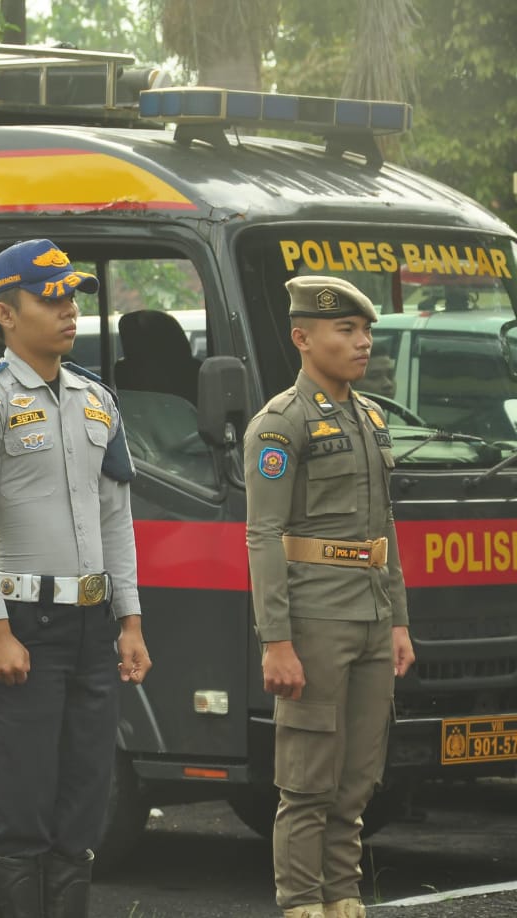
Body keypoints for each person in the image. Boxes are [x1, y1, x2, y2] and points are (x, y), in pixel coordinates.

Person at [0, 239, 152, 918]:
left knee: (83, 812)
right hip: (21, 626)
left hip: (93, 629)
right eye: (51, 298)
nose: (68, 312)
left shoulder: (96, 399)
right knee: (19, 811)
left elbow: (116, 514)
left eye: (73, 299)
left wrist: (130, 620)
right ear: (6, 312)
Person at [244, 276, 416, 918]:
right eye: (346, 330)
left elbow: (383, 529)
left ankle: (344, 899)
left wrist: (398, 622)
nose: (362, 342)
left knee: (357, 781)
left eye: (365, 331)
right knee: (308, 782)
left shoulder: (369, 418)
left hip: (371, 617)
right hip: (314, 621)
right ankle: (301, 904)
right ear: (303, 338)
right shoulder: (280, 424)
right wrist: (277, 641)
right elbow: (263, 535)